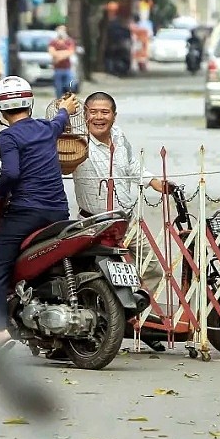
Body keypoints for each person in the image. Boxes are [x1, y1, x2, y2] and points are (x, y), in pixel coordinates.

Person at [0, 76, 80, 349]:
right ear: (29, 103)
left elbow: (10, 172)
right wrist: (65, 107)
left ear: (0, 110)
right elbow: (61, 119)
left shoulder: (8, 136)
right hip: (59, 212)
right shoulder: (47, 128)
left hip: (26, 212)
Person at [72, 92, 174, 291]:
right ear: (85, 116)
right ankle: (113, 316)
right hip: (94, 224)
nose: (99, 117)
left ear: (114, 116)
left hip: (127, 220)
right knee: (104, 278)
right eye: (93, 112)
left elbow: (131, 165)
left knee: (152, 269)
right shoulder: (76, 142)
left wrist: (154, 182)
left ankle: (140, 313)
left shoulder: (118, 136)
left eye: (104, 112)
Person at [49, 25, 76, 98]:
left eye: (63, 30)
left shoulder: (69, 41)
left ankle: (67, 99)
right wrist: (64, 53)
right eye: (60, 30)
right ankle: (59, 102)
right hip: (57, 69)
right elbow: (52, 52)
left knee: (70, 85)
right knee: (58, 88)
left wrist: (58, 55)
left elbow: (70, 52)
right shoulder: (53, 42)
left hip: (67, 68)